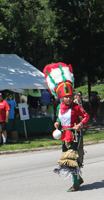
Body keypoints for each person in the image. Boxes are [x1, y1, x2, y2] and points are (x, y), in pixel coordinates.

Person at [44, 62, 90, 192]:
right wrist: (57, 123)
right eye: (66, 97)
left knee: (72, 158)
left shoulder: (77, 107)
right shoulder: (59, 107)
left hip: (75, 134)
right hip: (64, 134)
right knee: (66, 157)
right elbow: (59, 118)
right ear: (61, 97)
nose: (68, 99)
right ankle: (78, 179)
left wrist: (80, 125)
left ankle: (75, 183)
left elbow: (86, 116)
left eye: (70, 97)